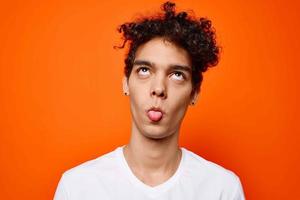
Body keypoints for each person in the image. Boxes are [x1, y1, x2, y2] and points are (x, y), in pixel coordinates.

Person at [54, 1, 245, 199]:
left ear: (194, 93)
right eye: (144, 70)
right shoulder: (78, 187)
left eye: (177, 75)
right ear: (126, 83)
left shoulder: (222, 188)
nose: (158, 89)